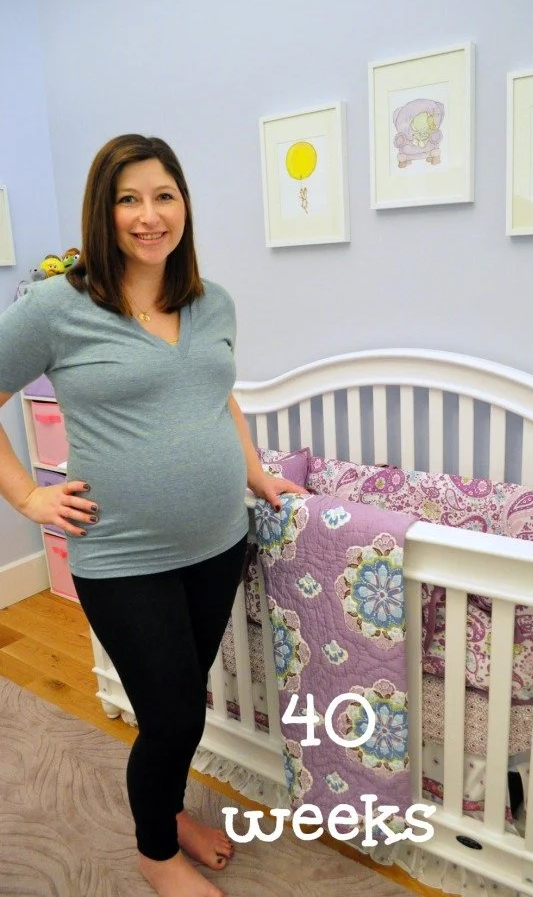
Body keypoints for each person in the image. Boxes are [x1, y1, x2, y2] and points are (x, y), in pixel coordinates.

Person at [0, 134, 306, 897]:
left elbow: (217, 394)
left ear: (184, 206)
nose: (149, 215)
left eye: (164, 195)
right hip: (121, 554)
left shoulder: (211, 301)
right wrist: (28, 495)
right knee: (170, 715)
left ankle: (167, 812)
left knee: (183, 703)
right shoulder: (56, 307)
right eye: (128, 198)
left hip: (217, 541)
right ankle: (154, 852)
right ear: (102, 211)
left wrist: (256, 471)